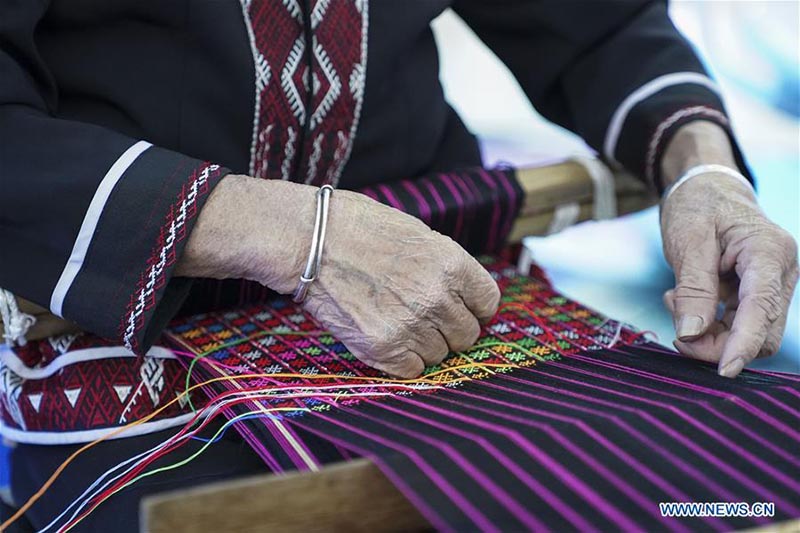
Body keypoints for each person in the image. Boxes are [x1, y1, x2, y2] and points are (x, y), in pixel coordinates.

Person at [1, 1, 797, 530]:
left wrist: (704, 173)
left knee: (725, 494)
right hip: (128, 323)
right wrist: (295, 236)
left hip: (449, 293)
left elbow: (598, 23)